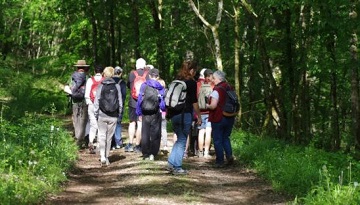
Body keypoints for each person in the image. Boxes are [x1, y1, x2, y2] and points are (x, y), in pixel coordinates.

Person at [167, 60, 202, 175]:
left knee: (179, 139)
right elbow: (194, 101)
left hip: (174, 114)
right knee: (182, 140)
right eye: (195, 70)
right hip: (184, 114)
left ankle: (171, 163)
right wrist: (199, 116)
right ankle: (177, 167)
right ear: (192, 70)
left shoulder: (177, 80)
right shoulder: (191, 83)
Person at [94, 66, 123, 166]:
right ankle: (106, 157)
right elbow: (120, 102)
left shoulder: (100, 86)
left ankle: (102, 156)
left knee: (102, 135)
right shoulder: (117, 86)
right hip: (113, 116)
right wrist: (119, 113)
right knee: (109, 137)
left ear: (104, 74)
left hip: (102, 114)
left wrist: (96, 113)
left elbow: (97, 100)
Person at [205, 70, 235, 168]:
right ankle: (229, 156)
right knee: (225, 137)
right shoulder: (229, 87)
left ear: (218, 78)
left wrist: (206, 105)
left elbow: (213, 106)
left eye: (213, 78)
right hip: (230, 116)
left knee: (217, 140)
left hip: (218, 117)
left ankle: (220, 161)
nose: (212, 80)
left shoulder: (217, 90)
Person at [136, 69, 166, 160]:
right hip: (156, 112)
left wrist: (139, 112)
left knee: (145, 132)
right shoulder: (160, 86)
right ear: (157, 76)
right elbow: (162, 101)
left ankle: (145, 152)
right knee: (155, 132)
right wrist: (163, 109)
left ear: (149, 76)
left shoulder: (144, 85)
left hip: (145, 112)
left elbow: (140, 99)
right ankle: (153, 152)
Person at [125, 58, 149, 153]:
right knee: (140, 123)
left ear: (136, 65)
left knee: (132, 122)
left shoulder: (131, 74)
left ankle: (130, 144)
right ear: (144, 65)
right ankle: (138, 145)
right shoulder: (147, 74)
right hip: (142, 102)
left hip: (132, 102)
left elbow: (128, 86)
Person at [66, 60, 90, 147]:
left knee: (76, 120)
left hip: (74, 101)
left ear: (77, 67)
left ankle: (78, 138)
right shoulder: (87, 77)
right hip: (84, 101)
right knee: (83, 121)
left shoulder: (72, 77)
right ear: (85, 68)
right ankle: (81, 139)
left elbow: (69, 88)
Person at [85, 65, 104, 154]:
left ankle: (91, 141)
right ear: (102, 71)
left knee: (93, 124)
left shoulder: (90, 80)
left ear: (94, 71)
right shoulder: (104, 80)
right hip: (101, 105)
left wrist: (89, 102)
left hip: (92, 104)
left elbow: (87, 94)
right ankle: (99, 144)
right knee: (100, 125)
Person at [197, 68, 214, 158]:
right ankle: (206, 153)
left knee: (201, 131)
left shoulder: (199, 85)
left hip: (200, 112)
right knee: (208, 132)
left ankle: (200, 152)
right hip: (210, 112)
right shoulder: (212, 86)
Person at [111, 66, 127, 150]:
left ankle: (112, 143)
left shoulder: (110, 81)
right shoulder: (122, 82)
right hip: (119, 105)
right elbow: (123, 95)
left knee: (111, 123)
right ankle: (118, 142)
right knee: (118, 123)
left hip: (110, 106)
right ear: (120, 73)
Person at [157, 78, 168, 152]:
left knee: (156, 130)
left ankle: (157, 146)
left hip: (157, 112)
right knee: (164, 129)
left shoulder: (155, 91)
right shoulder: (166, 91)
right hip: (164, 112)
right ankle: (165, 145)